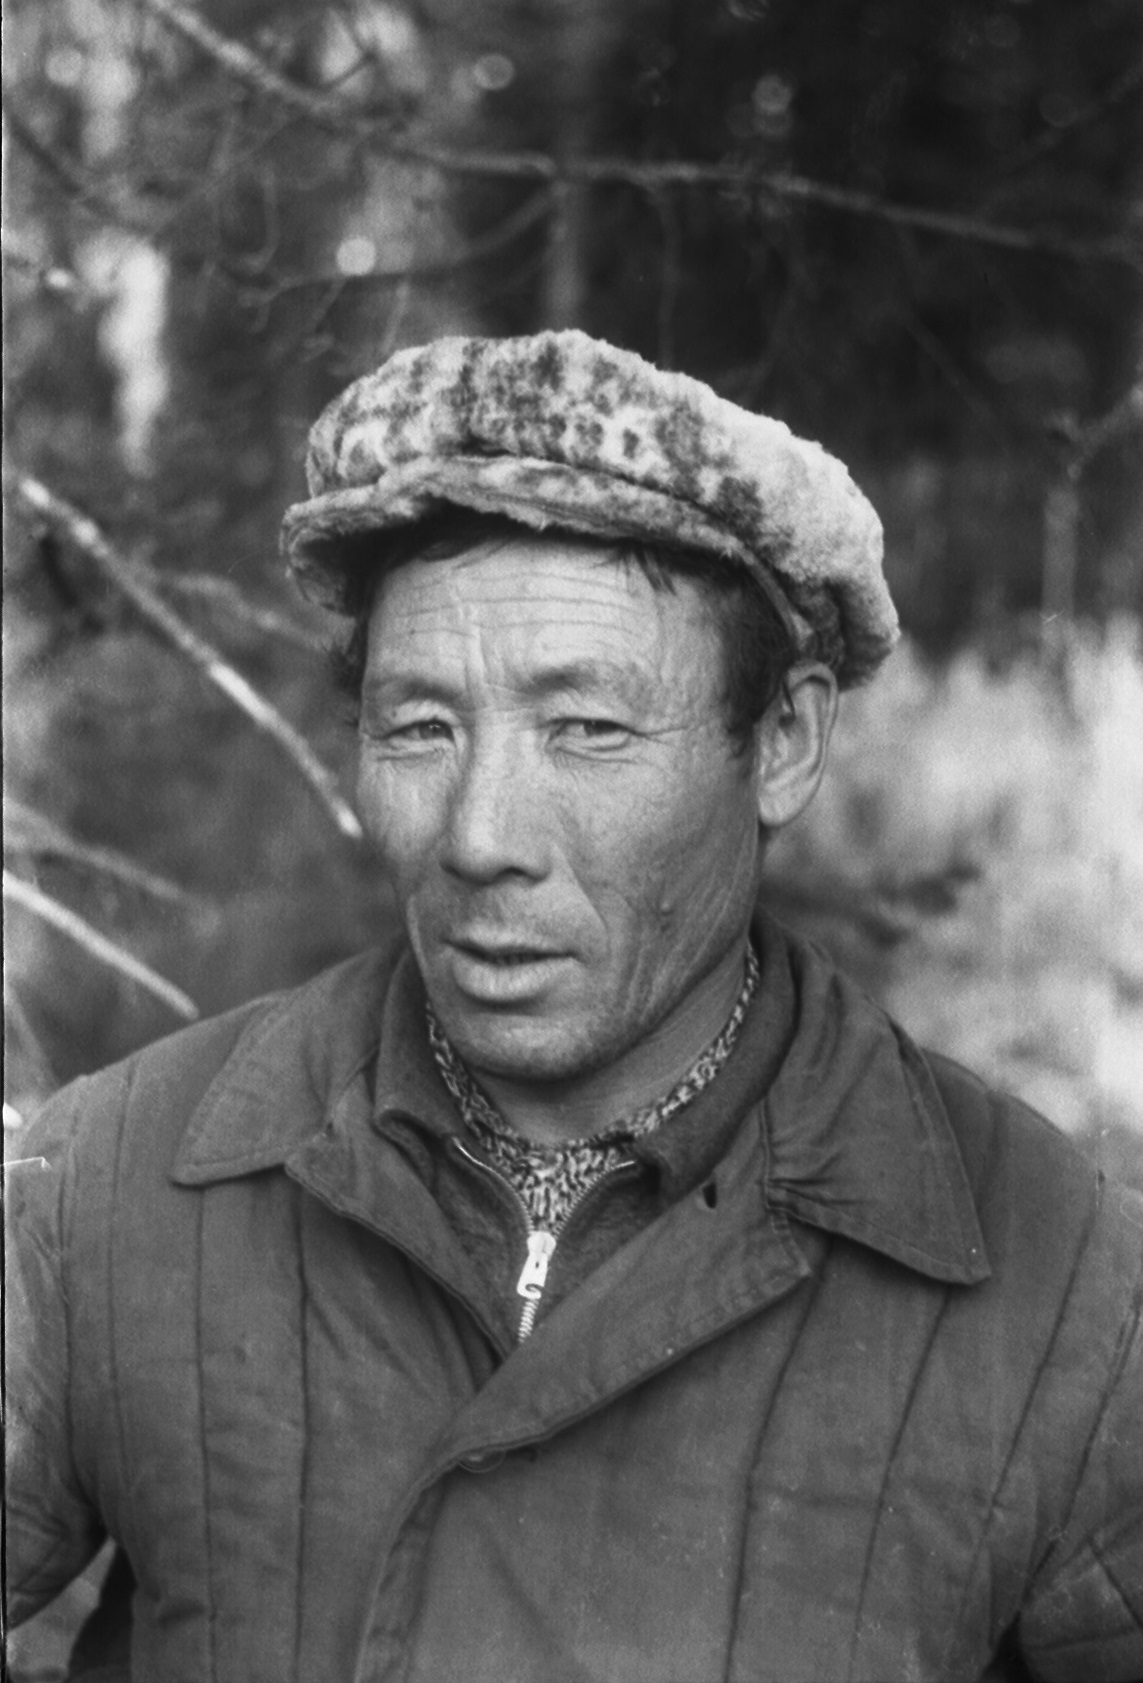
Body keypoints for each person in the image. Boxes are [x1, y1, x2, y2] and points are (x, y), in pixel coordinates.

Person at [6, 330, 1141, 1683]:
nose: (480, 835)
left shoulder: (1063, 1290)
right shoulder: (110, 1188)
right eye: (419, 727)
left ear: (784, 741)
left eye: (587, 729)